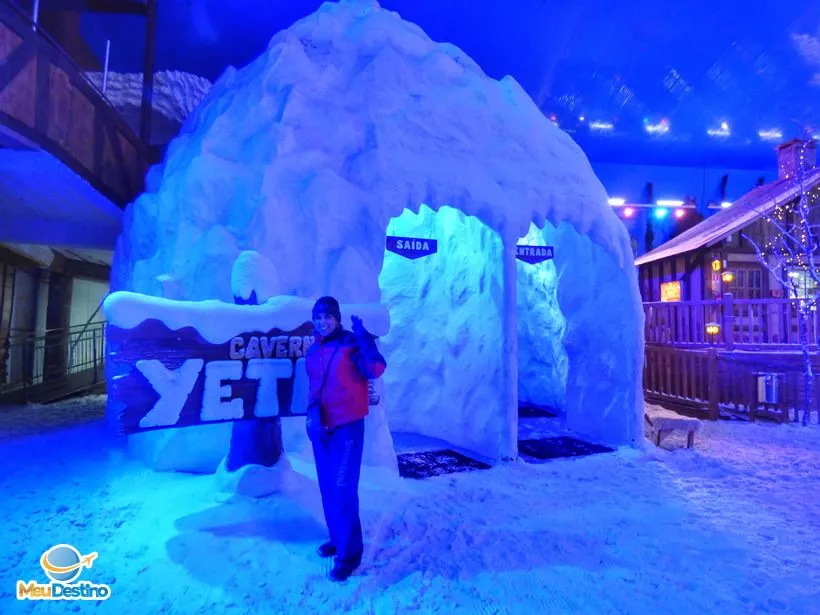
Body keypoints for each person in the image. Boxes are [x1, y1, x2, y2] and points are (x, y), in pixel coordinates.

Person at [305, 296, 386, 582]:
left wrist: (365, 338)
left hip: (347, 429)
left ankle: (349, 556)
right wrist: (310, 415)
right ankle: (337, 538)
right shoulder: (314, 349)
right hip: (322, 428)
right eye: (317, 317)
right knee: (327, 488)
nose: (322, 322)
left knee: (342, 489)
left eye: (327, 316)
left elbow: (374, 368)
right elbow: (315, 387)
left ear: (337, 318)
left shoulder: (351, 343)